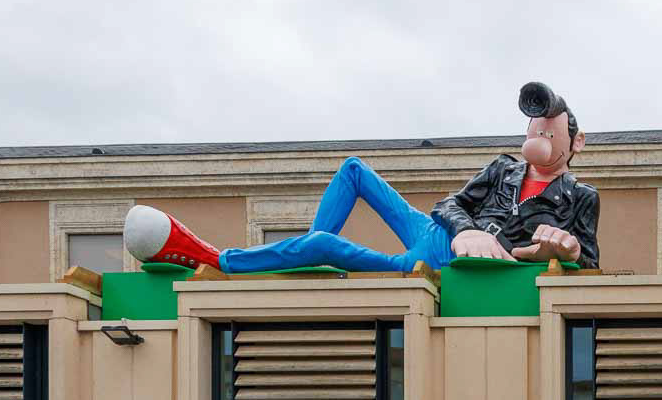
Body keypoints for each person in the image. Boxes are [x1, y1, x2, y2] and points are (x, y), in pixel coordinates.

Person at [121, 82, 599, 274]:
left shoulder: (580, 196)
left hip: (428, 270)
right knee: (354, 169)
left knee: (327, 249)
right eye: (535, 128)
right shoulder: (504, 167)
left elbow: (591, 266)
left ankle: (215, 259)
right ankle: (307, 251)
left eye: (550, 130)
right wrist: (468, 228)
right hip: (436, 236)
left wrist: (567, 253)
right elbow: (446, 206)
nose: (540, 136)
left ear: (575, 142)